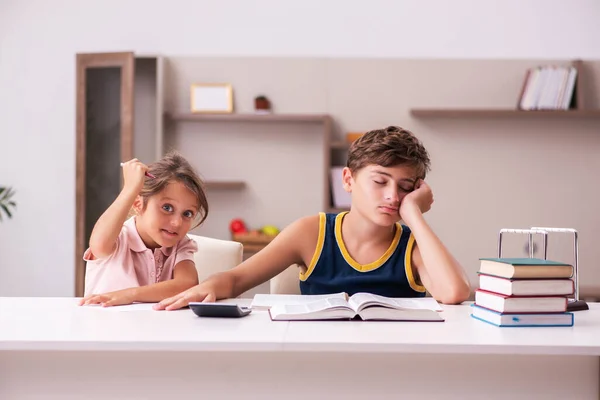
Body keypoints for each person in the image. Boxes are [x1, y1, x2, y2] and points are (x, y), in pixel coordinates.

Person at [155, 126, 470, 311]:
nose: (392, 196)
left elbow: (454, 293)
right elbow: (238, 279)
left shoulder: (414, 245)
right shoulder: (312, 232)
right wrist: (205, 288)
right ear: (348, 180)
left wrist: (413, 215)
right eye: (379, 181)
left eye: (404, 188)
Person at [79, 151, 208, 307]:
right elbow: (99, 246)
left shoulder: (181, 244)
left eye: (187, 213)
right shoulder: (119, 236)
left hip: (154, 330)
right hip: (104, 328)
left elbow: (187, 284)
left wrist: (130, 294)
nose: (176, 223)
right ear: (138, 204)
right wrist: (130, 189)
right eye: (167, 208)